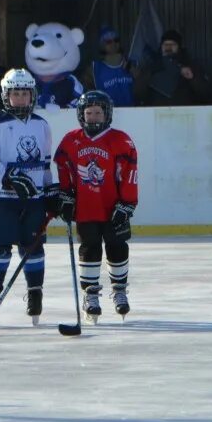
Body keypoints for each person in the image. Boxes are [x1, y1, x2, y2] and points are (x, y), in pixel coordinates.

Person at [0, 68, 53, 326]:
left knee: (33, 247)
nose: (20, 99)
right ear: (6, 95)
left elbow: (45, 165)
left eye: (24, 94)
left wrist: (52, 191)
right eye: (15, 93)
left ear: (32, 95)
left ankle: (35, 294)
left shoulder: (42, 125)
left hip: (33, 198)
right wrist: (9, 180)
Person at [52, 90, 139, 321]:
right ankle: (90, 295)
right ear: (81, 114)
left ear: (107, 114)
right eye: (89, 113)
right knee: (89, 248)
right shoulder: (71, 140)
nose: (93, 117)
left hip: (114, 209)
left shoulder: (120, 140)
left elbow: (130, 173)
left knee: (117, 246)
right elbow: (63, 168)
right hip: (86, 209)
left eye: (98, 112)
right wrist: (66, 195)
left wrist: (127, 203)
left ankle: (119, 291)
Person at [137, 29, 212, 106]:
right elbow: (137, 93)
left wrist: (193, 78)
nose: (168, 47)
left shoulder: (190, 65)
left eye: (172, 44)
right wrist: (150, 72)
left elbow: (205, 93)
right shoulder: (151, 66)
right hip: (157, 114)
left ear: (179, 47)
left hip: (185, 114)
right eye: (165, 44)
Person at [86, 26, 136, 107]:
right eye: (108, 41)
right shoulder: (94, 68)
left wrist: (132, 69)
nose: (113, 43)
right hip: (108, 115)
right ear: (101, 45)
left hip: (132, 113)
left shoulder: (130, 63)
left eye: (116, 40)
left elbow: (142, 89)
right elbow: (87, 93)